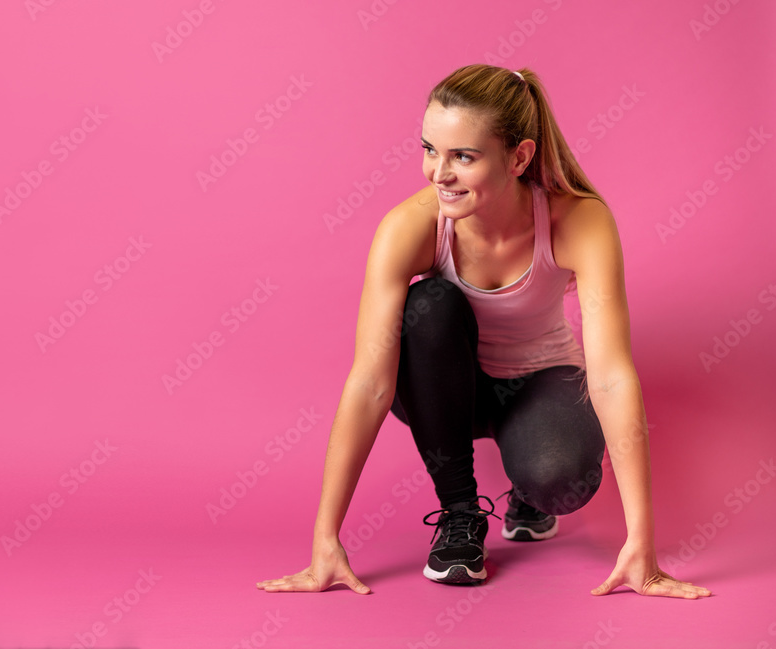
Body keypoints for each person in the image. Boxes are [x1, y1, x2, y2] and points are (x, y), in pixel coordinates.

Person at [257, 64, 710, 599]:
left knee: (560, 477)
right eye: (430, 149)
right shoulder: (409, 227)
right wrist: (324, 539)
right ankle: (459, 515)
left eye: (463, 157)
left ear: (519, 157)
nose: (437, 174)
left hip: (541, 380)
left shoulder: (578, 221)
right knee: (430, 303)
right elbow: (371, 382)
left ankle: (529, 493)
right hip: (447, 389)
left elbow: (611, 377)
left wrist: (643, 544)